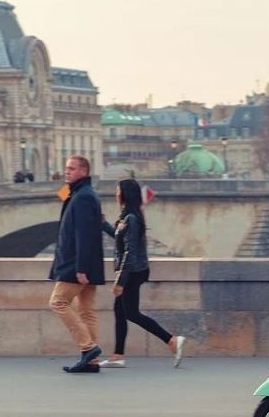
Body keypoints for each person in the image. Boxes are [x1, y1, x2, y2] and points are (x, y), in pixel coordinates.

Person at [98, 179, 186, 368]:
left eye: (118, 190)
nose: (116, 194)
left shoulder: (131, 218)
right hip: (133, 270)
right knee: (120, 311)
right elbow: (120, 238)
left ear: (124, 194)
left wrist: (120, 281)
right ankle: (117, 355)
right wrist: (104, 224)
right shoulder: (129, 216)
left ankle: (171, 340)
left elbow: (130, 251)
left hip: (133, 272)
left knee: (131, 313)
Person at [49, 155, 106, 374]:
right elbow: (61, 197)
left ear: (84, 171)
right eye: (66, 168)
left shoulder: (82, 197)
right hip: (86, 263)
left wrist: (81, 268)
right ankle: (91, 362)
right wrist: (67, 187)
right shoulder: (81, 193)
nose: (67, 172)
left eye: (72, 169)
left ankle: (88, 347)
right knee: (87, 311)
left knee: (58, 302)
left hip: (76, 264)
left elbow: (84, 235)